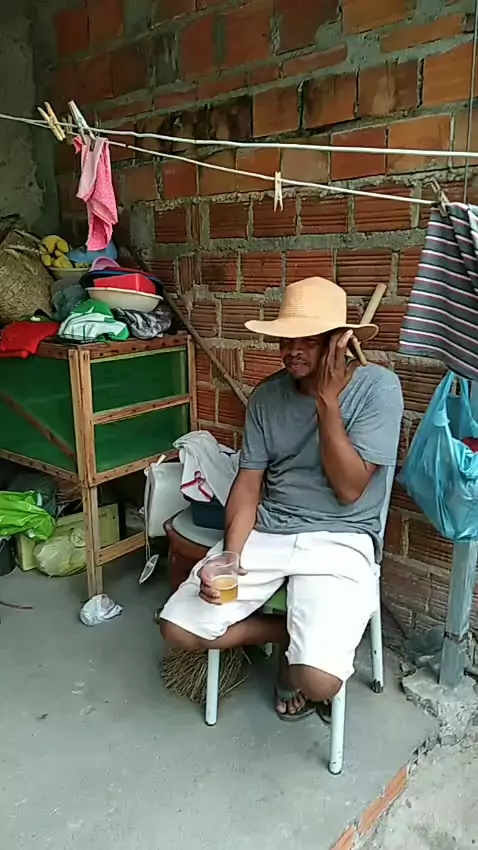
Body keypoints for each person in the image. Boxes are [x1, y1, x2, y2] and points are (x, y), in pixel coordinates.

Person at [160, 277, 404, 720]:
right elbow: (248, 483)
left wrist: (328, 402)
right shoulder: (267, 397)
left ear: (338, 343)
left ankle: (300, 660)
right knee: (177, 626)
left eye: (307, 340)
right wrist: (230, 557)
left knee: (318, 683)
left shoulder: (378, 388)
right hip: (271, 530)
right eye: (286, 339)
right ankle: (284, 634)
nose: (292, 351)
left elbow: (350, 489)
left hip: (342, 537)